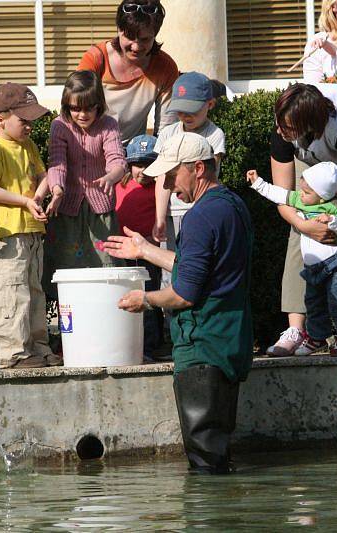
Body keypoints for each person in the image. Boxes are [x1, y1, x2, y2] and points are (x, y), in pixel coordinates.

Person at [105, 132, 253, 474]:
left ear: (198, 169)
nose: (168, 186)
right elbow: (199, 269)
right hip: (230, 341)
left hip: (202, 350)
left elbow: (184, 294)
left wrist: (146, 299)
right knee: (219, 455)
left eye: (172, 176)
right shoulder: (232, 205)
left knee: (205, 465)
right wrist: (145, 251)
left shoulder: (200, 217)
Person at [267, 82, 337, 357]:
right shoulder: (284, 126)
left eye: (287, 129)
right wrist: (304, 224)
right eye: (279, 126)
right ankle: (297, 329)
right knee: (300, 227)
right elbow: (284, 197)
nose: (280, 133)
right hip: (309, 154)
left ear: (308, 125)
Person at [0, 83, 55, 369]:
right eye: (24, 120)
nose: (30, 126)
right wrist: (24, 202)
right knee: (11, 291)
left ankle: (37, 346)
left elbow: (43, 175)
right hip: (8, 234)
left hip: (32, 230)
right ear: (1, 119)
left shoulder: (29, 145)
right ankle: (13, 352)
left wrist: (37, 196)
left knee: (34, 290)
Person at [248, 163, 337, 356]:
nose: (301, 195)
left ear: (323, 195)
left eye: (307, 192)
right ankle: (316, 338)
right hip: (313, 267)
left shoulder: (336, 206)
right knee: (313, 303)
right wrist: (258, 183)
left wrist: (334, 222)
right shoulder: (302, 199)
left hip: (336, 265)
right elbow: (280, 194)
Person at [42, 70, 126, 271]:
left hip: (100, 208)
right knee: (67, 265)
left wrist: (111, 177)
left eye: (89, 108)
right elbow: (57, 162)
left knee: (107, 262)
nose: (82, 114)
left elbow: (117, 159)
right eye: (75, 108)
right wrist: (57, 190)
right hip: (68, 206)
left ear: (99, 104)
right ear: (66, 105)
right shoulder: (60, 125)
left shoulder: (108, 124)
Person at [77, 0, 179, 144]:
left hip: (134, 152)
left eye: (145, 39)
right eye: (130, 37)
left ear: (155, 34)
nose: (136, 47)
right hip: (91, 146)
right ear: (119, 29)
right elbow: (75, 111)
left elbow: (166, 130)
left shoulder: (165, 67)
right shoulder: (95, 59)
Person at [153, 71, 225, 250]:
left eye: (191, 110)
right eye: (180, 111)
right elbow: (162, 178)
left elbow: (209, 177)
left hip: (201, 212)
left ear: (210, 104)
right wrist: (160, 217)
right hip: (172, 213)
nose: (185, 116)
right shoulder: (168, 133)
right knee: (170, 268)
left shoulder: (215, 135)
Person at [114, 134, 165, 361]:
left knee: (150, 296)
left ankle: (151, 345)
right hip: (123, 252)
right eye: (137, 164)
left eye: (148, 164)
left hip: (148, 251)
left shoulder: (159, 189)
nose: (142, 171)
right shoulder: (121, 186)